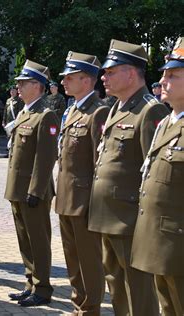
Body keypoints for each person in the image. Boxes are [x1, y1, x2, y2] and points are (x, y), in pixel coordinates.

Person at [88, 39, 169, 315]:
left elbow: (152, 171)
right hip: (108, 216)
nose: (103, 77)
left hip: (130, 220)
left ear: (131, 73)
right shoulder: (118, 107)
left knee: (138, 293)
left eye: (111, 71)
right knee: (117, 287)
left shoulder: (150, 110)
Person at [130, 36, 184, 316]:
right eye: (164, 74)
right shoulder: (166, 123)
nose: (164, 81)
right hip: (160, 240)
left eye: (173, 75)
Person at [55, 51, 109, 315]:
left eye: (70, 77)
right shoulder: (73, 110)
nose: (64, 82)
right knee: (72, 259)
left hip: (85, 201)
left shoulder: (98, 113)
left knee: (89, 260)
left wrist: (96, 203)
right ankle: (79, 305)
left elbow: (100, 163)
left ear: (87, 81)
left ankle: (91, 309)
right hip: (66, 198)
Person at [4, 60, 58, 307]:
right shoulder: (25, 112)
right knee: (25, 241)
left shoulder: (46, 115)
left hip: (33, 192)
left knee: (38, 240)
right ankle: (30, 283)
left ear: (37, 86)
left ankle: (43, 288)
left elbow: (45, 158)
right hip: (18, 189)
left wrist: (36, 190)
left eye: (23, 84)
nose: (19, 88)